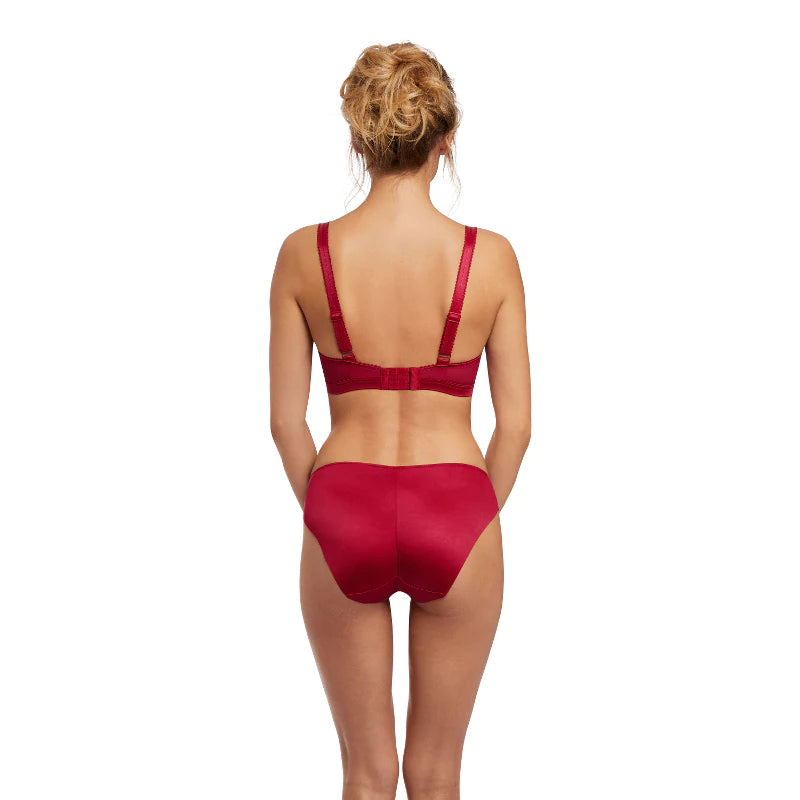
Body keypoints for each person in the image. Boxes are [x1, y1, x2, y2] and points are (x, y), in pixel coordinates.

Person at [269, 41, 531, 800]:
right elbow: (515, 426)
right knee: (436, 775)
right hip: (455, 505)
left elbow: (286, 422)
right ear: (447, 138)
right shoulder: (491, 258)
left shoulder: (303, 254)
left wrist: (329, 513)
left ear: (358, 138)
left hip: (343, 501)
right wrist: (470, 515)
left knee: (366, 773)